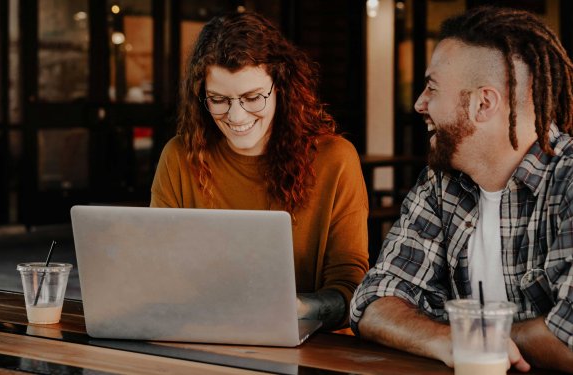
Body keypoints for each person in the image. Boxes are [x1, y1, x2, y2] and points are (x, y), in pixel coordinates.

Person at [349, 5, 573, 372]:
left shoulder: (567, 183)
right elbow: (373, 301)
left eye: (432, 88)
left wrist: (474, 336)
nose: (420, 103)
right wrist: (444, 339)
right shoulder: (442, 183)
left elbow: (568, 340)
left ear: (483, 104)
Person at [150, 11, 369, 330]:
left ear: (282, 88)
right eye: (218, 99)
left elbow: (352, 288)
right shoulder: (179, 156)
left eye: (252, 98)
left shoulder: (334, 159)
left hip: (311, 342)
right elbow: (156, 269)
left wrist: (294, 308)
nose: (236, 116)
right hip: (202, 331)